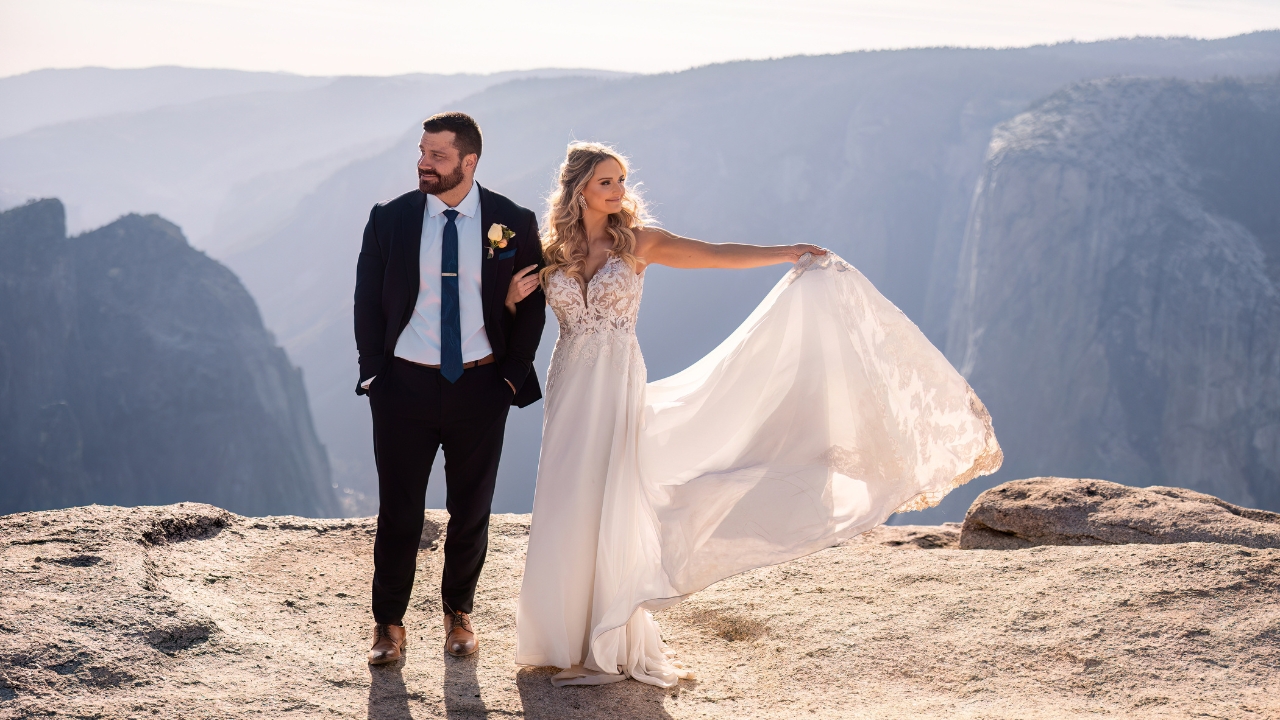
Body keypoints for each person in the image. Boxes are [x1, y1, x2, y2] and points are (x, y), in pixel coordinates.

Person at [509, 142, 1002, 686]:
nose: (620, 191)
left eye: (622, 180)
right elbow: (515, 312)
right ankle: (561, 636)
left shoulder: (639, 243)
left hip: (618, 382)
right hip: (569, 383)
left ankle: (607, 636)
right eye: (608, 181)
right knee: (567, 493)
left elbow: (716, 253)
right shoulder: (552, 249)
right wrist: (510, 297)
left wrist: (785, 252)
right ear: (580, 188)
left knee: (614, 492)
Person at [353, 112, 546, 664]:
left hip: (482, 386)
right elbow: (367, 300)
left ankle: (458, 613)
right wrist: (374, 372)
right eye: (421, 152)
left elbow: (532, 306)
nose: (424, 164)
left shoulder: (512, 220)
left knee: (472, 508)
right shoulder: (389, 219)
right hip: (403, 389)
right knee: (399, 511)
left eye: (437, 156)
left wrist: (509, 376)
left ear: (469, 161)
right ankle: (388, 625)